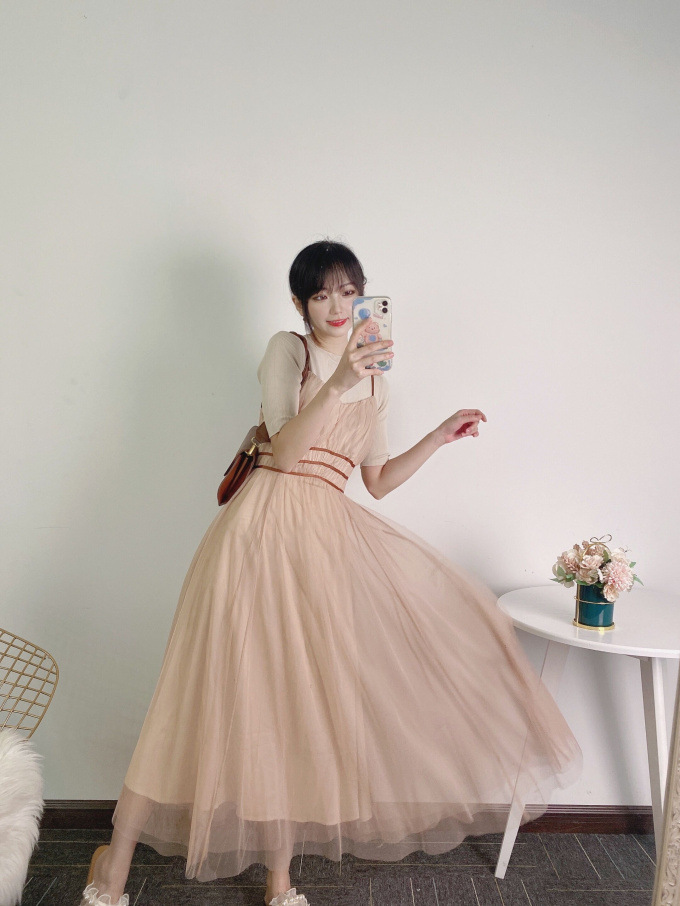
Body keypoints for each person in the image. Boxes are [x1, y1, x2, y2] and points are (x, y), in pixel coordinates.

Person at [80, 240, 582, 906]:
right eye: (321, 294)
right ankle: (113, 868)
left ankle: (280, 880)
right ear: (299, 303)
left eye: (348, 292)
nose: (337, 307)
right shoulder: (287, 352)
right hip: (257, 537)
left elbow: (376, 481)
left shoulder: (376, 380)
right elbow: (286, 453)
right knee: (189, 699)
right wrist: (338, 381)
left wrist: (438, 436)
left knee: (292, 710)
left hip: (319, 548)